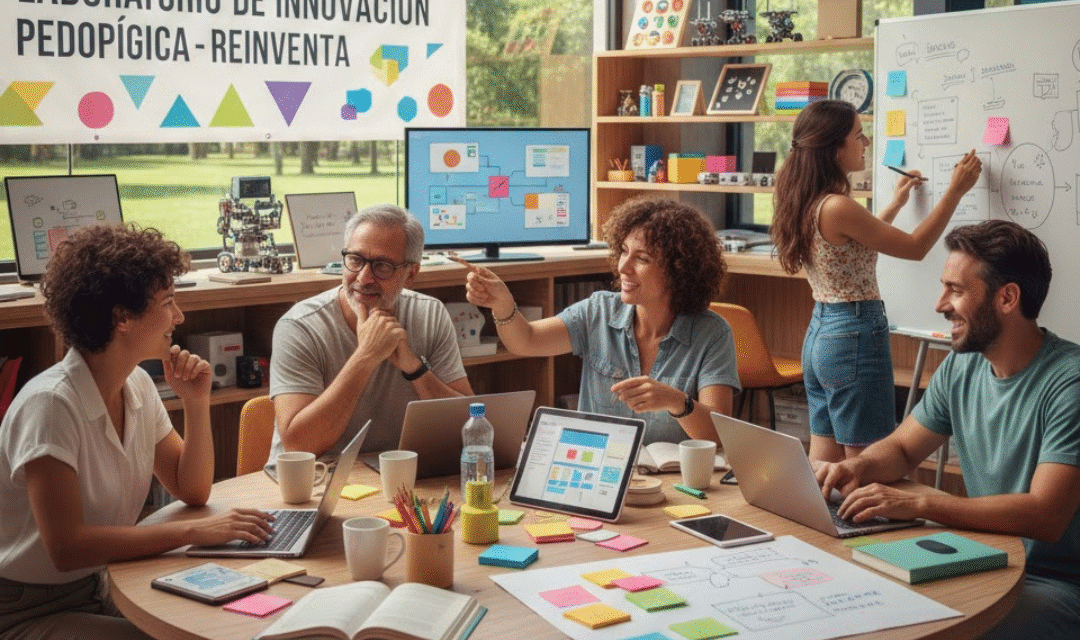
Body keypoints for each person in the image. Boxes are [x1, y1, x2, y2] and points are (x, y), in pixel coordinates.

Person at [0, 225, 274, 640]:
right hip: (25, 610)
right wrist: (190, 532)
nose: (178, 317)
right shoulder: (51, 405)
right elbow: (66, 548)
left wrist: (196, 403)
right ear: (122, 317)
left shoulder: (137, 386)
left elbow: (192, 488)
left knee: (223, 622)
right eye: (168, 303)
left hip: (102, 584)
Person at [816, 220, 1080, 639]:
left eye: (956, 290)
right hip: (980, 557)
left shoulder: (1071, 382)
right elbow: (903, 449)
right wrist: (858, 468)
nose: (941, 304)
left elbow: (1046, 515)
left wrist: (924, 505)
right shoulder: (963, 364)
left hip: (1054, 583)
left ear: (1008, 297)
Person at [771, 99, 982, 462]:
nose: (866, 142)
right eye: (858, 135)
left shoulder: (807, 200)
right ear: (837, 147)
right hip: (853, 333)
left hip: (822, 334)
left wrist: (897, 203)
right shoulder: (837, 206)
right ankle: (864, 522)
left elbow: (860, 241)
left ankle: (820, 519)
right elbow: (915, 248)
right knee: (868, 463)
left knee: (825, 456)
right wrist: (956, 191)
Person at [458, 197, 739, 445]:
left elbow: (719, 435)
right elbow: (526, 340)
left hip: (676, 482)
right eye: (624, 251)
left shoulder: (712, 333)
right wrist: (503, 305)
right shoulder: (598, 311)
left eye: (641, 258)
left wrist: (677, 402)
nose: (623, 267)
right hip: (597, 469)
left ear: (678, 271)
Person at [269, 204, 472, 465]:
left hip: (393, 476)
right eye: (355, 260)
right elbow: (300, 445)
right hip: (309, 484)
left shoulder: (430, 314)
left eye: (382, 266)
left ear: (410, 274)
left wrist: (415, 369)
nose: (364, 278)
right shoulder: (300, 326)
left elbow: (469, 424)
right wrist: (366, 356)